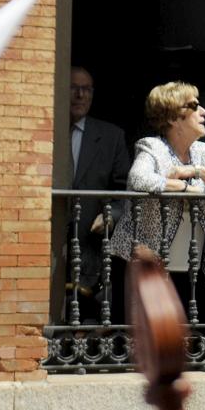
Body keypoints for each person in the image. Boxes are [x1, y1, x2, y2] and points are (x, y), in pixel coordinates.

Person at [110, 81, 205, 315]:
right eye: (194, 106)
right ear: (173, 117)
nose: (204, 111)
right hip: (146, 259)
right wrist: (182, 187)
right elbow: (139, 180)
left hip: (192, 263)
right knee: (145, 338)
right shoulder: (151, 146)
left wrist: (197, 171)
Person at [66, 66, 131, 319]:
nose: (80, 95)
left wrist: (111, 214)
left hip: (90, 244)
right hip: (46, 242)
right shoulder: (45, 130)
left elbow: (124, 189)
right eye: (73, 88)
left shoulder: (111, 136)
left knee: (86, 318)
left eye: (87, 89)